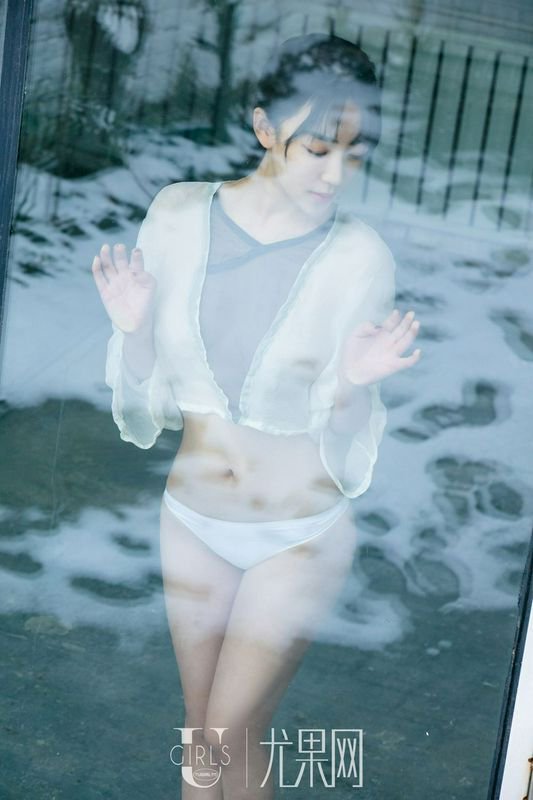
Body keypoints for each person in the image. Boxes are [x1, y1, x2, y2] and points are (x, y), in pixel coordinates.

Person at [92, 32, 421, 799]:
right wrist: (134, 330)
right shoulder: (177, 217)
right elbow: (143, 402)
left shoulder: (359, 257)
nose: (334, 174)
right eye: (317, 150)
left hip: (296, 534)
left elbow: (348, 440)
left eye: (354, 153)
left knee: (219, 736)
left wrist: (354, 383)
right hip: (191, 518)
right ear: (265, 128)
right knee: (208, 736)